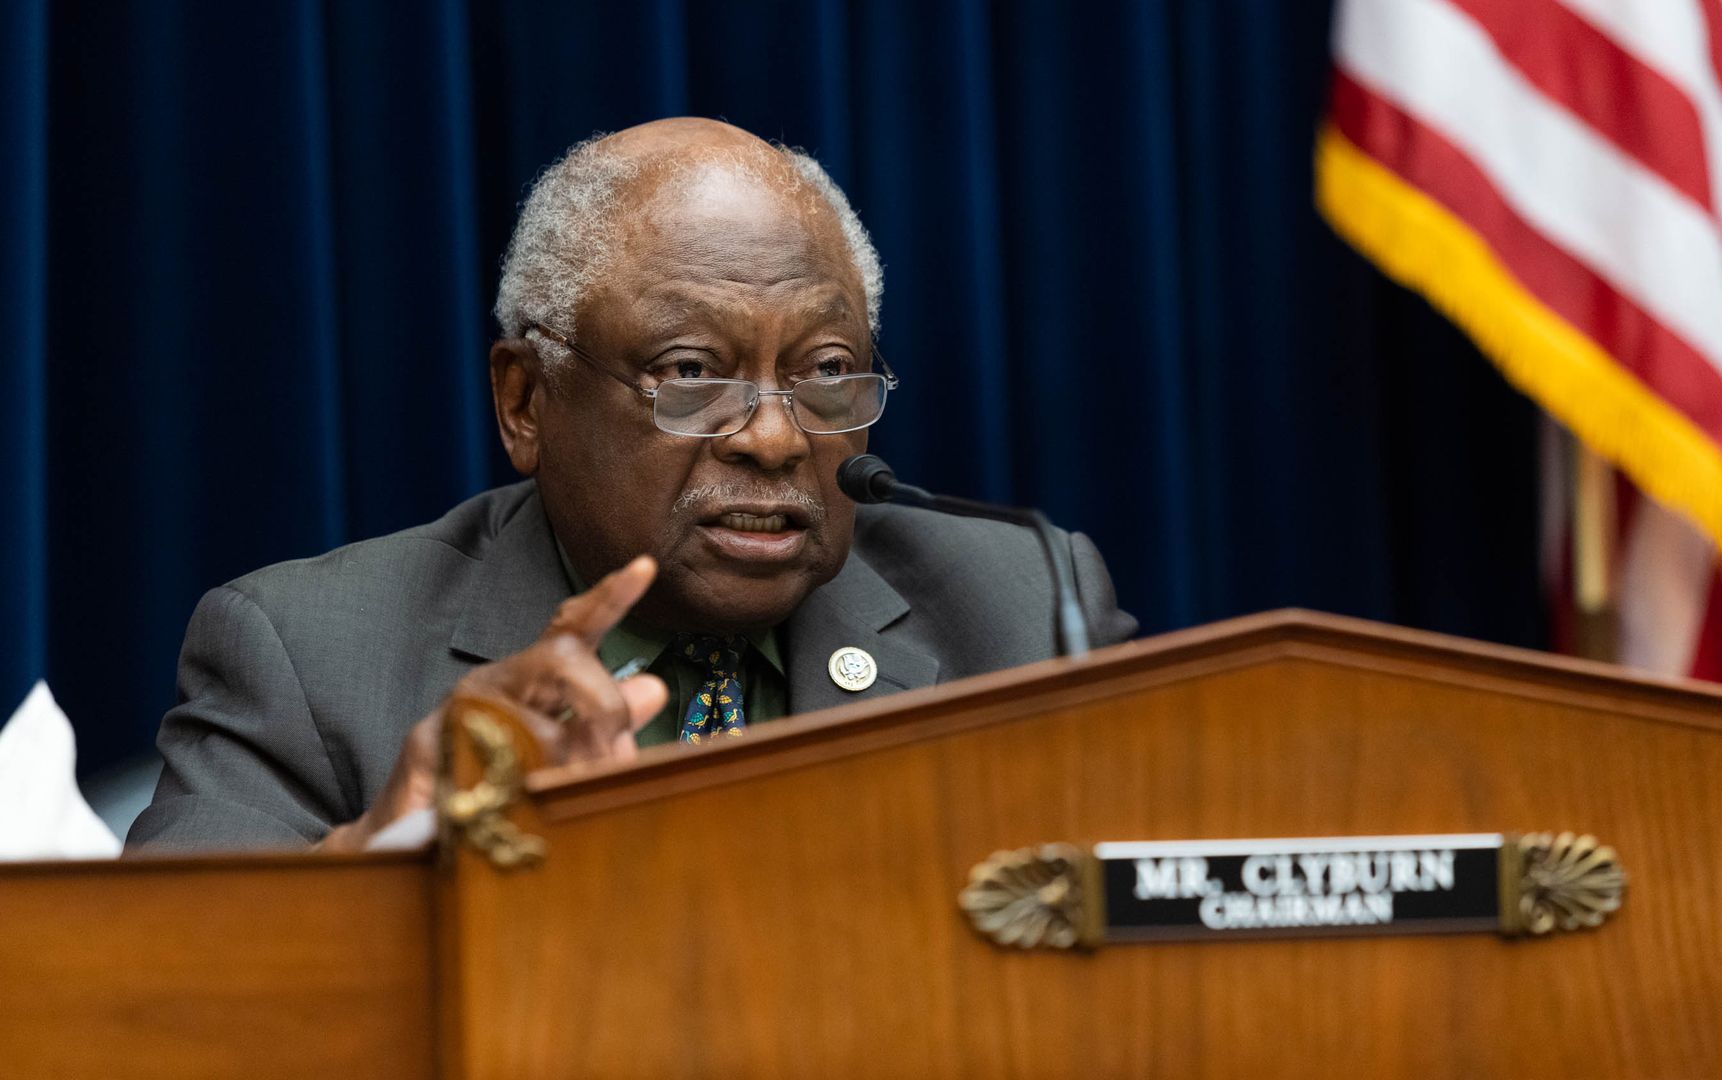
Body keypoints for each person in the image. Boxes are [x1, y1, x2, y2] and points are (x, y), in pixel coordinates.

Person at [127, 118, 1134, 853]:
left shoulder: (1026, 615)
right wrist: (381, 855)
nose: (776, 439)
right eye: (691, 373)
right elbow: (152, 1002)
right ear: (527, 402)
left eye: (827, 371)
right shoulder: (311, 659)